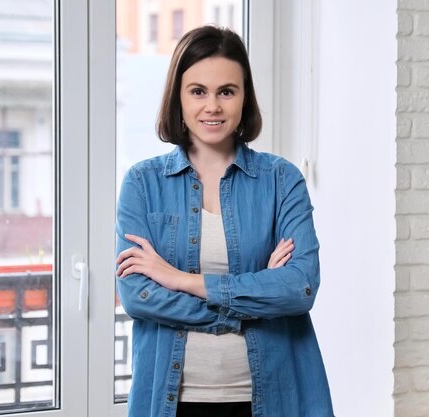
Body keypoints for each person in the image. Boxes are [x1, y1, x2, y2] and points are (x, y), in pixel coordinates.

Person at [115, 25, 334, 417]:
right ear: (178, 99)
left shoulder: (282, 180)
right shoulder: (142, 184)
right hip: (173, 400)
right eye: (197, 91)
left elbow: (299, 288)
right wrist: (255, 296)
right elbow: (137, 296)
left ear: (244, 97)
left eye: (226, 91)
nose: (212, 106)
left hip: (272, 396)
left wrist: (181, 280)